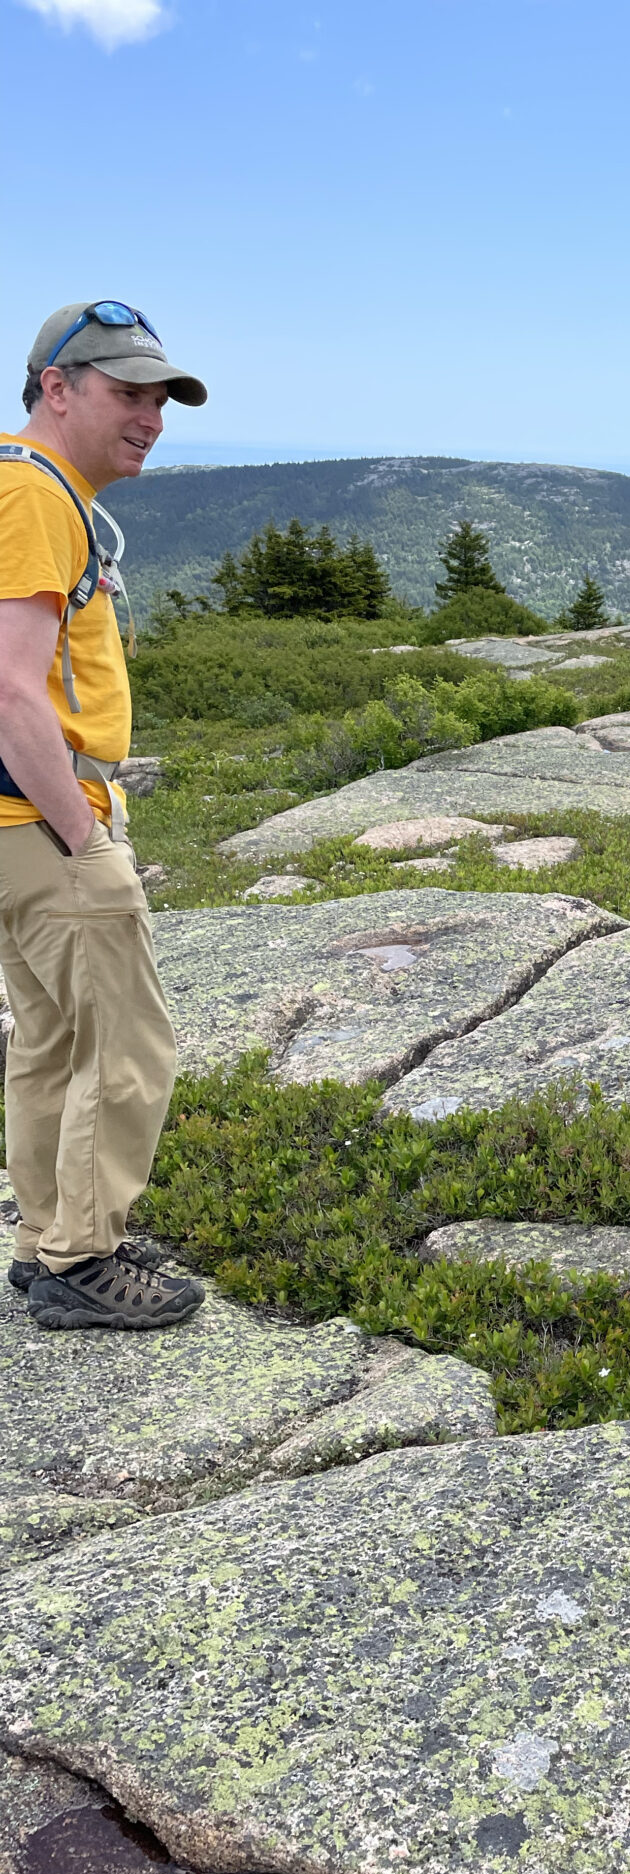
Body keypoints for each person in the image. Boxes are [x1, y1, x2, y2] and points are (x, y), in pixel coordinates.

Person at [0, 302, 208, 1329]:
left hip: (11, 829)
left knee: (49, 1041)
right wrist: (84, 839)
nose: (152, 416)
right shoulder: (34, 494)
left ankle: (46, 1241)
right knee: (128, 1044)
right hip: (43, 824)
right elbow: (11, 689)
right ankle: (85, 1256)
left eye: (160, 396)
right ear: (57, 388)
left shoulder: (23, 483)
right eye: (127, 392)